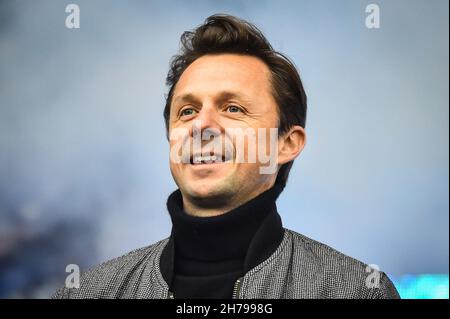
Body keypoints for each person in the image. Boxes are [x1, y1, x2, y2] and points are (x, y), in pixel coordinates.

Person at [53, 14, 400, 299]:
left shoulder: (356, 291)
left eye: (233, 108)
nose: (202, 126)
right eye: (187, 111)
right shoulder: (85, 293)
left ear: (286, 144)